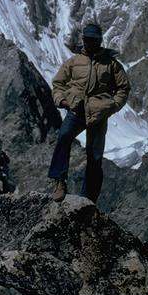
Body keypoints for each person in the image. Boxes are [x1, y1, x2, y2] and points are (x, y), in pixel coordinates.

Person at [47, 23, 131, 202]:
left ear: (100, 40)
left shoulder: (111, 64)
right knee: (64, 138)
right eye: (88, 39)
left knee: (95, 156)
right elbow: (58, 84)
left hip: (99, 114)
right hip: (76, 110)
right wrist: (61, 100)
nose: (91, 43)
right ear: (83, 40)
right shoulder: (74, 61)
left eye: (94, 39)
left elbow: (123, 88)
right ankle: (59, 182)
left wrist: (112, 106)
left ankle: (89, 198)